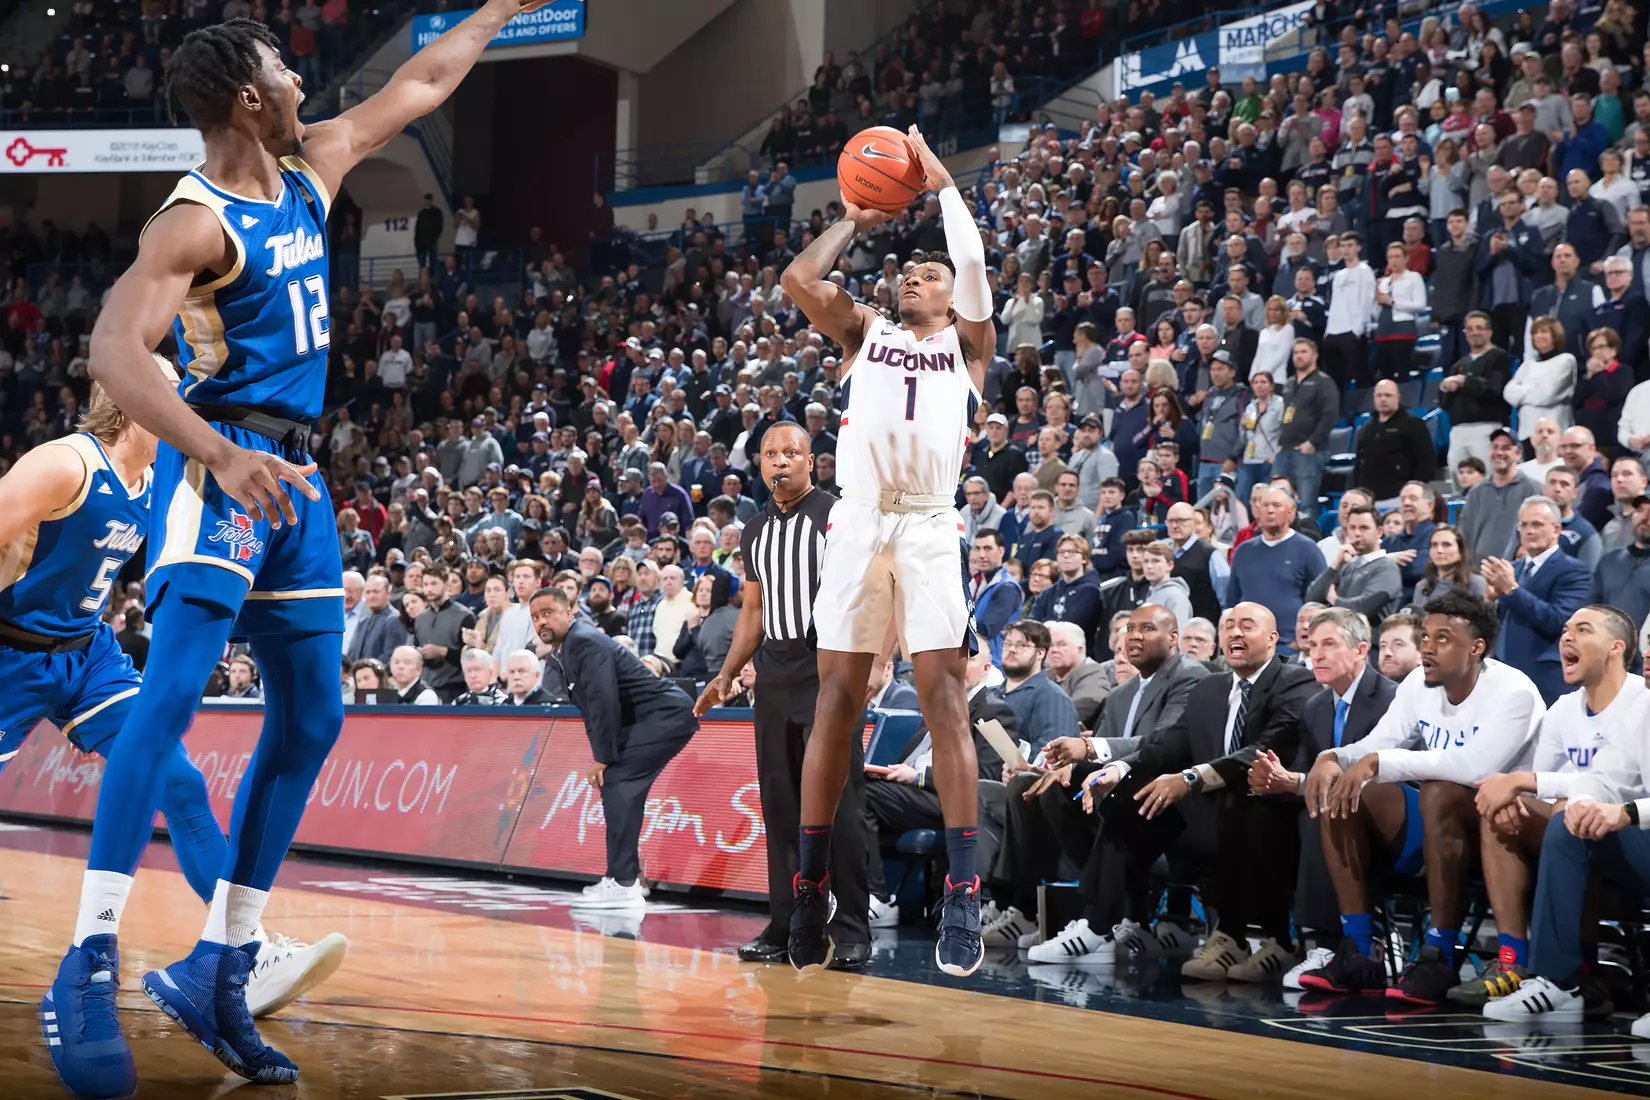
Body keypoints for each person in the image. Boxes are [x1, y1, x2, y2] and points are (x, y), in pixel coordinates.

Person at [53, 10, 529, 1082]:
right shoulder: (191, 221)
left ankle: (219, 960)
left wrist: (495, 10)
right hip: (222, 470)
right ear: (248, 101)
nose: (302, 76)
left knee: (315, 713)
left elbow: (423, 82)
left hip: (300, 485)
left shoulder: (313, 165)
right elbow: (114, 349)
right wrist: (214, 452)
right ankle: (90, 948)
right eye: (282, 67)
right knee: (170, 692)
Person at [0, 358, 345, 1042]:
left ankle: (242, 954)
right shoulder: (67, 463)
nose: (198, 411)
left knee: (180, 782)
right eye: (184, 398)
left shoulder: (155, 482)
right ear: (137, 403)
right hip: (9, 650)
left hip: (85, 652)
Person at [777, 127, 995, 977]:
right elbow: (799, 281)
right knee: (837, 696)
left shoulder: (968, 348)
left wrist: (942, 186)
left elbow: (972, 267)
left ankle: (965, 893)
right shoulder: (862, 331)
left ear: (953, 296)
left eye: (929, 273)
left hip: (932, 522)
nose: (916, 277)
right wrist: (855, 218)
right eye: (907, 272)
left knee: (944, 693)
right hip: (861, 519)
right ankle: (808, 885)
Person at [1299, 592, 1546, 1004]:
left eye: (1443, 639)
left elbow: (1474, 767)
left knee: (1439, 791)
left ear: (1477, 647)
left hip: (1510, 832)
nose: (1428, 647)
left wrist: (1380, 762)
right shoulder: (1417, 683)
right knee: (1347, 790)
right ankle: (1361, 950)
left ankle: (1438, 953)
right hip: (1443, 832)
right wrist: (1334, 757)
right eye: (1426, 637)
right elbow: (1381, 741)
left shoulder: (1514, 692)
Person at [693, 422, 869, 969]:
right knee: (779, 803)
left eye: (790, 452)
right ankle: (788, 920)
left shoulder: (837, 515)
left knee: (839, 803)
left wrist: (871, 660)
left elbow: (866, 590)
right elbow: (754, 611)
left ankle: (853, 926)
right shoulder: (754, 528)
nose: (779, 462)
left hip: (827, 667)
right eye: (770, 454)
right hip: (773, 671)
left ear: (811, 462)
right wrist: (726, 674)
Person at [1071, 602, 1318, 981]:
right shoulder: (1211, 686)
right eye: (1229, 626)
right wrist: (1118, 769)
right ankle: (1098, 925)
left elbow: (1265, 749)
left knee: (1242, 799)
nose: (1235, 633)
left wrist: (1190, 779)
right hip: (1211, 812)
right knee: (1130, 794)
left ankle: (1263, 939)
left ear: (1272, 639)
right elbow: (1170, 743)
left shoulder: (1294, 680)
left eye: (1246, 626)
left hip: (1275, 808)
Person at [1465, 606, 1642, 1014]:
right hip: (1587, 828)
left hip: (1634, 833)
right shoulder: (1563, 709)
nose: (1566, 638)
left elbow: (1623, 786)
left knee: (1566, 817)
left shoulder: (1641, 701)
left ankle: (1567, 978)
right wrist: (1529, 794)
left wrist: (1533, 787)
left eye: (1582, 630)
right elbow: (1563, 784)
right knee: (1503, 809)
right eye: (1564, 630)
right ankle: (1514, 962)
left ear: (1617, 648)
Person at [1249, 607, 1400, 989]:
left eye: (1329, 645)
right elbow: (1307, 774)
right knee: (1260, 812)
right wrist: (1283, 780)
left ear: (1361, 649)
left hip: (1386, 815)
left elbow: (1394, 770)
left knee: (1320, 813)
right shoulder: (1315, 706)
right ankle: (1274, 937)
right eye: (1312, 645)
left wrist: (1306, 785)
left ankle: (1328, 943)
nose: (1316, 655)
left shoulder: (1391, 698)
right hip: (1335, 810)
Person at [531, 587, 698, 908]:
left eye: (548, 612)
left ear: (569, 613)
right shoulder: (569, 647)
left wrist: (604, 758)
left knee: (619, 783)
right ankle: (622, 876)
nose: (542, 621)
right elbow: (595, 706)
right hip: (653, 719)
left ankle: (624, 882)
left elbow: (602, 703)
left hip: (665, 716)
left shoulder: (583, 641)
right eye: (536, 617)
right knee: (619, 787)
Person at [1483, 497, 1592, 705]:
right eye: (1523, 525)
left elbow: (1559, 622)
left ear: (1556, 529)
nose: (1529, 531)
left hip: (1546, 678)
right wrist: (1491, 601)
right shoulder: (1512, 569)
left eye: (1537, 524)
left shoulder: (1574, 570)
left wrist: (1513, 590)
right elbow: (1496, 625)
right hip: (1505, 675)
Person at [1226, 485, 1329, 655]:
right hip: (1247, 645)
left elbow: (1321, 600)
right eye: (1265, 505)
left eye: (1276, 505)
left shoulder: (1308, 549)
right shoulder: (1243, 551)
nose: (1270, 511)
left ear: (1291, 511)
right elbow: (1232, 600)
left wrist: (1301, 641)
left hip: (1289, 647)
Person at [1306, 503, 1403, 625]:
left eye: (1364, 528)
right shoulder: (1346, 565)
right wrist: (1336, 563)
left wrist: (1333, 599)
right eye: (1352, 528)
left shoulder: (1387, 568)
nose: (1357, 533)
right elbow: (1312, 598)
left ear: (1379, 532)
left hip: (1370, 641)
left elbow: (1364, 608)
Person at [1457, 428, 1541, 561]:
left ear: (1518, 454)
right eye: (1495, 447)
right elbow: (1464, 532)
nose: (1499, 452)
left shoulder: (1533, 489)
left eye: (1506, 448)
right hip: (1479, 572)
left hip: (1514, 571)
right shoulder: (1477, 492)